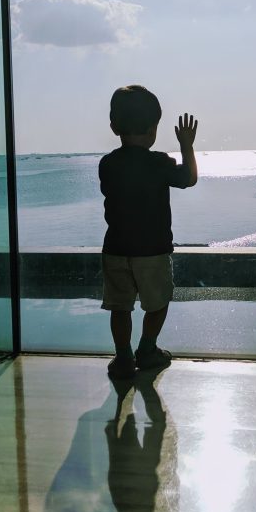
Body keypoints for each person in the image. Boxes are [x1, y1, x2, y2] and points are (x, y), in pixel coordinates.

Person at [100, 85, 198, 379]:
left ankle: (123, 357)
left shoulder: (107, 164)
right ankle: (147, 348)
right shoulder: (158, 163)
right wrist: (186, 145)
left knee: (120, 307)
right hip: (152, 250)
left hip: (116, 249)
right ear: (154, 128)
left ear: (114, 125)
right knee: (157, 303)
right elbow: (189, 179)